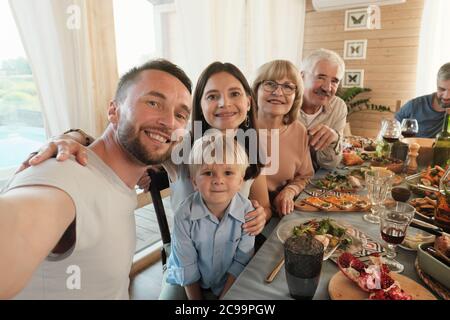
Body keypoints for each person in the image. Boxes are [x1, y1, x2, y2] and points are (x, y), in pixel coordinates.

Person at [0, 59, 192, 299]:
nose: (170, 122)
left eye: (181, 115)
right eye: (153, 102)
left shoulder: (115, 178)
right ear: (114, 110)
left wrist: (76, 134)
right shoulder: (62, 173)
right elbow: (22, 220)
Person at [165, 132, 254, 300]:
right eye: (208, 173)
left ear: (240, 181)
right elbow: (186, 267)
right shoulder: (184, 215)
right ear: (194, 182)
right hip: (186, 282)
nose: (218, 180)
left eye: (228, 172)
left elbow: (241, 261)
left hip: (228, 282)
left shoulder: (248, 212)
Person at [253, 60, 314, 216]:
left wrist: (289, 191)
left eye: (288, 87)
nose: (278, 93)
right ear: (256, 90)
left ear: (296, 96)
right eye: (270, 84)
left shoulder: (299, 130)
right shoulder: (239, 130)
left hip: (281, 216)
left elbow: (305, 176)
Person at [299, 48, 347, 170]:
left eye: (334, 81)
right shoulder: (282, 104)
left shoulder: (338, 107)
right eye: (320, 77)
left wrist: (335, 139)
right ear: (302, 77)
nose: (327, 87)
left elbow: (330, 164)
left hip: (312, 179)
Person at [395, 62, 450, 138]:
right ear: (437, 85)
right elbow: (390, 130)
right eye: (442, 89)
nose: (446, 96)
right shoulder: (415, 105)